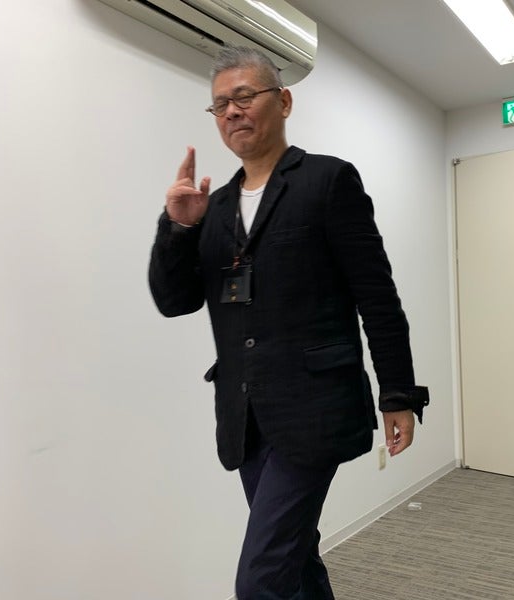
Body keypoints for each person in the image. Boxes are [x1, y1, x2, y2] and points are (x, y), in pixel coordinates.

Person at [148, 45, 429, 599]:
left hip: (315, 409)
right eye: (220, 104)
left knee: (260, 581)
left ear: (283, 102)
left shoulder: (327, 181)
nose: (232, 111)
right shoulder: (214, 207)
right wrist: (178, 229)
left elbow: (377, 296)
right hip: (246, 416)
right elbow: (175, 300)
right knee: (294, 558)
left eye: (244, 96)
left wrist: (398, 392)